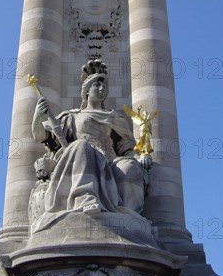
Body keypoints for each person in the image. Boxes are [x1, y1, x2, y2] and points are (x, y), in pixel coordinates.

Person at [31, 61, 151, 229]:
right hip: (80, 157)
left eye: (104, 85)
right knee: (81, 146)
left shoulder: (114, 118)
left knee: (129, 166)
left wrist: (139, 158)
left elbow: (126, 148)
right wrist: (37, 117)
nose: (102, 89)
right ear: (86, 90)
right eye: (97, 84)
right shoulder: (72, 116)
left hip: (109, 162)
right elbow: (43, 136)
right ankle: (84, 198)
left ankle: (127, 219)